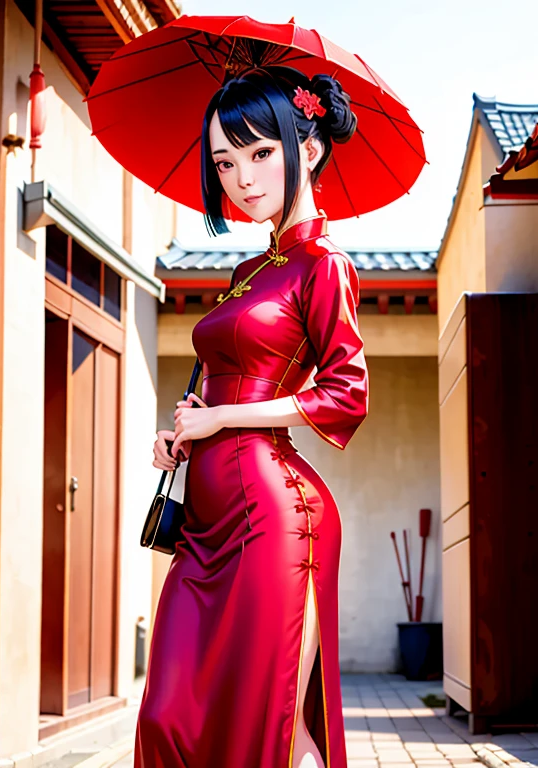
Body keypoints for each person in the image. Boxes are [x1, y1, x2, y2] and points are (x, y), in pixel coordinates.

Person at [139, 65, 369, 768]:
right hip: (204, 525)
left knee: (263, 728)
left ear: (310, 147)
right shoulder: (246, 273)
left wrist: (226, 423)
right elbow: (220, 387)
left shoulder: (323, 264)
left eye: (260, 152)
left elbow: (345, 394)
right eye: (225, 162)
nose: (242, 177)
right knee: (168, 714)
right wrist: (187, 425)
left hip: (275, 518)